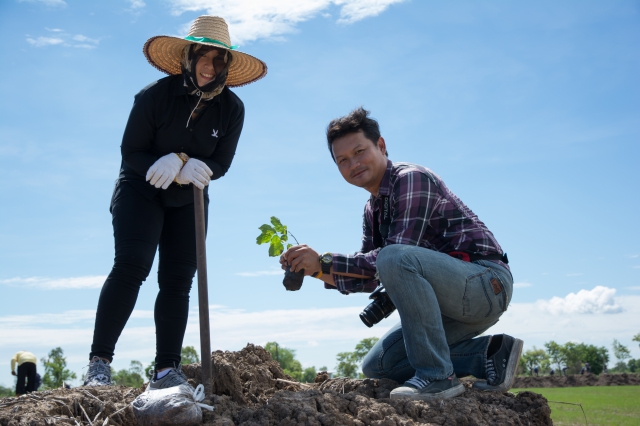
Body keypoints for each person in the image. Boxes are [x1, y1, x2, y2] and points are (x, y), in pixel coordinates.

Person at [280, 108, 523, 401]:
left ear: (381, 146)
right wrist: (316, 270)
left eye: (359, 151)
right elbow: (371, 277)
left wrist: (325, 260)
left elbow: (392, 257)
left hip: (485, 284)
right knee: (380, 365)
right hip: (445, 304)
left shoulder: (411, 179)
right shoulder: (372, 209)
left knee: (394, 256)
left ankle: (438, 377)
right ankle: (489, 354)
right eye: (342, 160)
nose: (353, 164)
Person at [83, 15, 267, 389]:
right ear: (188, 57)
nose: (209, 66)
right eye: (203, 56)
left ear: (226, 66)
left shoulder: (232, 109)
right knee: (132, 265)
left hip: (189, 199)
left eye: (218, 59)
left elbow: (222, 162)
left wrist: (195, 166)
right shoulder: (154, 96)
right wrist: (166, 160)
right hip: (142, 188)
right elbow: (131, 151)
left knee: (178, 280)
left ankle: (166, 369)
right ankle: (98, 364)